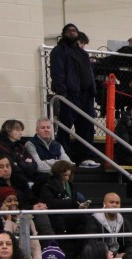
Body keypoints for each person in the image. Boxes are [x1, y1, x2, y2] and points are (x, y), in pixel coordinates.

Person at [49, 24, 99, 168]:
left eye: (74, 31)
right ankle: (63, 156)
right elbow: (57, 72)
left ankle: (86, 157)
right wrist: (62, 92)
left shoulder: (82, 53)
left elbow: (89, 72)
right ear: (64, 33)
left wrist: (92, 91)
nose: (72, 33)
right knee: (65, 125)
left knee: (87, 126)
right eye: (69, 31)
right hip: (70, 94)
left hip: (86, 95)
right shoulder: (59, 51)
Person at [0, 187, 42, 259]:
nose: (14, 203)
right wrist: (8, 219)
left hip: (24, 258)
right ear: (1, 204)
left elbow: (35, 243)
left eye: (15, 200)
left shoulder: (25, 217)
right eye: (9, 201)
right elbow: (5, 240)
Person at [25, 117, 72, 183]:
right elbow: (38, 167)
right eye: (43, 128)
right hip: (39, 182)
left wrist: (48, 162)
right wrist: (59, 166)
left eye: (48, 127)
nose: (46, 130)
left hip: (58, 181)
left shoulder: (58, 145)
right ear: (37, 130)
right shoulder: (30, 144)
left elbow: (68, 163)